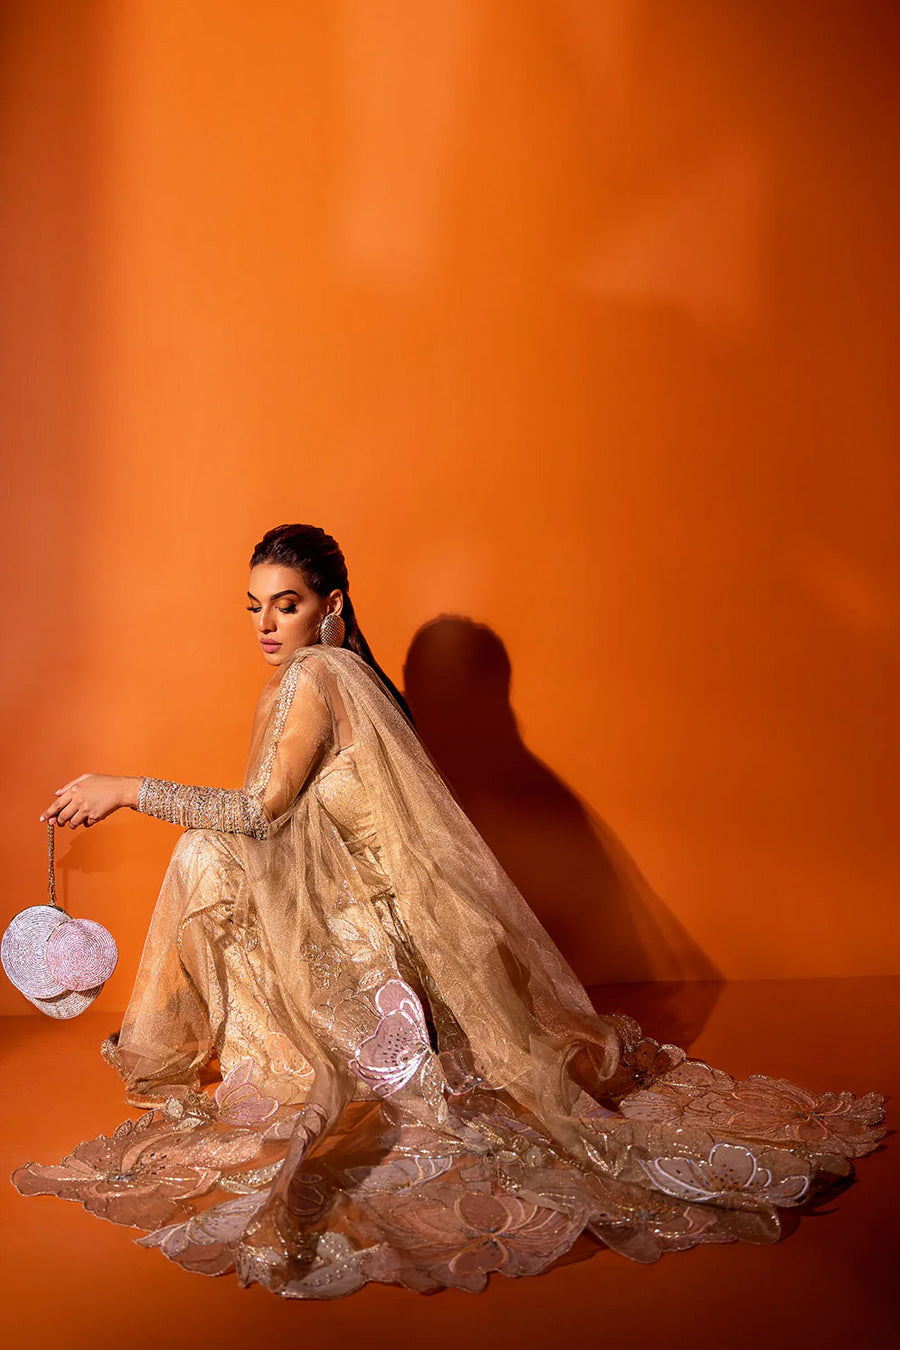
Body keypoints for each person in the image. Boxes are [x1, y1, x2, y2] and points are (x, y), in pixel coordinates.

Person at [11, 523, 886, 1299]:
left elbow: (261, 814)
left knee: (209, 847)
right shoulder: (352, 677)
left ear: (330, 605)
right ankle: (232, 1040)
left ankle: (219, 1045)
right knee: (216, 854)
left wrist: (128, 788)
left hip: (370, 937)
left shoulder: (319, 675)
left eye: (286, 604)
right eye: (254, 607)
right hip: (378, 927)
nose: (267, 626)